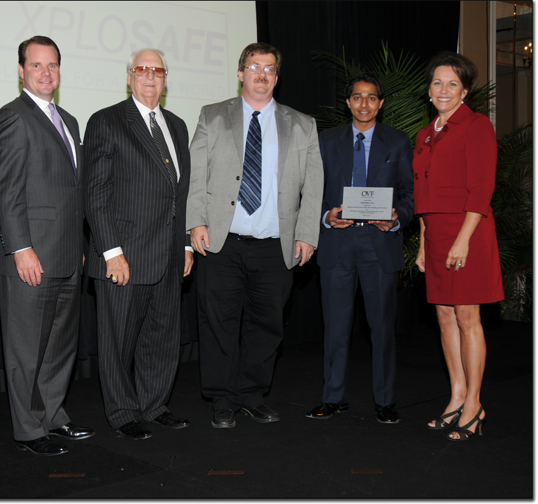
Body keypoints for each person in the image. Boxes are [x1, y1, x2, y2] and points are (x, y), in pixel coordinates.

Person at [187, 42, 324, 428]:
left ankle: (251, 394)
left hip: (275, 246)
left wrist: (308, 234)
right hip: (222, 243)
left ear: (276, 77)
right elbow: (196, 175)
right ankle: (223, 400)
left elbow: (314, 186)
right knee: (218, 325)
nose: (261, 74)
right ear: (240, 73)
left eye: (269, 68)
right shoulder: (212, 116)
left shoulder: (302, 124)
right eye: (253, 66)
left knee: (267, 327)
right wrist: (195, 221)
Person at [0, 35, 94, 456]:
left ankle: (53, 416)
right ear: (21, 71)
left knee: (59, 346)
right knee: (26, 349)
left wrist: (81, 243)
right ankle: (30, 430)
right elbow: (6, 191)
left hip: (67, 253)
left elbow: (73, 190)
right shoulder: (12, 117)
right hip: (31, 255)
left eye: (52, 65)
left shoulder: (68, 119)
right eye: (36, 65)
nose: (45, 72)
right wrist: (20, 248)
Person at [84, 49, 192, 440]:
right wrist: (111, 251)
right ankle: (123, 411)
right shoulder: (107, 121)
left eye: (158, 71)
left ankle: (153, 404)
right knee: (117, 341)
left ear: (166, 79)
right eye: (142, 70)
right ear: (129, 76)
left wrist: (185, 246)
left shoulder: (177, 126)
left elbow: (181, 195)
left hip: (167, 255)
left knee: (161, 336)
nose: (150, 77)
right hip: (123, 257)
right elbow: (94, 193)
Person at [305, 74, 414, 424]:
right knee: (335, 326)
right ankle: (333, 397)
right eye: (357, 97)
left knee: (381, 328)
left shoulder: (397, 142)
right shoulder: (326, 140)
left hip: (378, 244)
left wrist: (397, 217)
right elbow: (311, 192)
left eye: (371, 98)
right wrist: (326, 216)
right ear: (348, 102)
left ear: (380, 103)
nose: (364, 104)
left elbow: (410, 194)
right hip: (338, 244)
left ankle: (385, 401)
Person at [414, 52, 503, 441]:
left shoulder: (477, 125)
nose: (443, 90)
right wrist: (421, 244)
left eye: (452, 84)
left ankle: (474, 405)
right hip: (435, 234)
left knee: (468, 318)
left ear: (465, 90)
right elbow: (422, 192)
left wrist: (463, 239)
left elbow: (482, 189)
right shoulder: (425, 133)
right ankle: (456, 396)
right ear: (429, 89)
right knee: (444, 318)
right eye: (437, 82)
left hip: (468, 231)